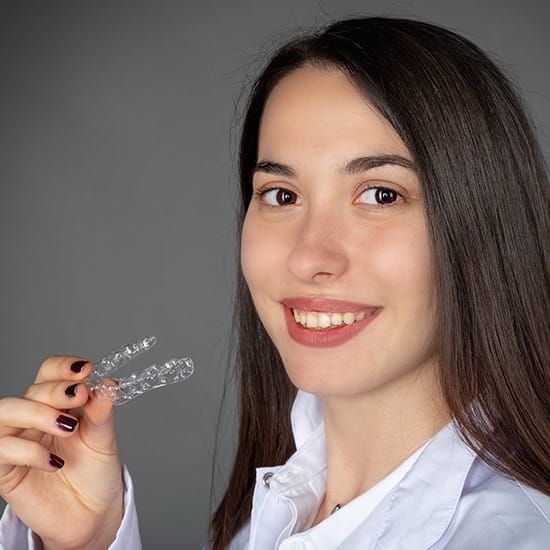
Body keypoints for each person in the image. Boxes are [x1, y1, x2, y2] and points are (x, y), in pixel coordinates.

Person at [0, 16, 549, 549]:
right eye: (282, 196)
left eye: (380, 194)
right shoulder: (285, 502)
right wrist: (88, 544)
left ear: (484, 222)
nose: (310, 256)